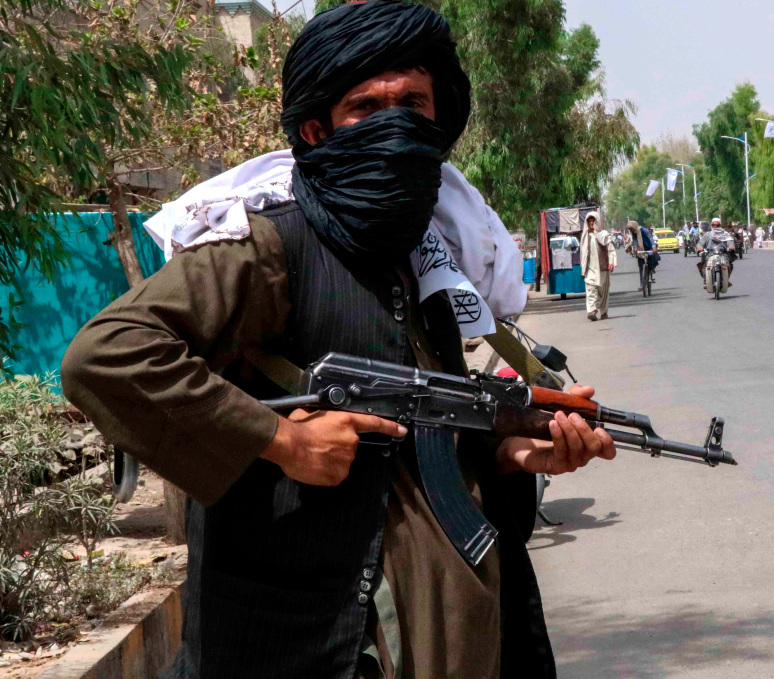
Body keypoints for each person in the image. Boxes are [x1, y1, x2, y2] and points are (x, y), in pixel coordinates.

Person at [61, 3, 617, 678]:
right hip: (308, 641)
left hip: (441, 635)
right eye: (366, 107)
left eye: (414, 103)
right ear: (318, 129)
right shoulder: (270, 246)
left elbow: (416, 440)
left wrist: (507, 453)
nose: (395, 125)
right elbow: (108, 353)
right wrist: (283, 441)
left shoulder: (422, 257)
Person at [581, 212, 615, 321]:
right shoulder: (585, 236)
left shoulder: (603, 235)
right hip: (589, 269)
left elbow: (611, 249)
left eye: (594, 220)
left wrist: (611, 262)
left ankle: (604, 312)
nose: (591, 222)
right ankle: (592, 311)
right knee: (591, 288)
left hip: (602, 269)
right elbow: (583, 254)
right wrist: (583, 268)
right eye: (590, 220)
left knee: (603, 292)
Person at [696, 217, 734, 284]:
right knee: (703, 266)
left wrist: (731, 246)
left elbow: (730, 242)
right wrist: (700, 248)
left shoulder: (725, 234)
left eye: (717, 225)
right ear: (711, 225)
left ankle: (726, 279)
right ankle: (706, 279)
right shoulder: (707, 235)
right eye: (713, 225)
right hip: (710, 254)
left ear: (720, 225)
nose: (715, 227)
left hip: (722, 254)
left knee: (728, 265)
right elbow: (700, 243)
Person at [625, 219, 658, 291]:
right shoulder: (634, 233)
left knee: (651, 262)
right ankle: (641, 284)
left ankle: (651, 270)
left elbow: (650, 238)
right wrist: (635, 247)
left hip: (648, 248)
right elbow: (635, 240)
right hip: (641, 251)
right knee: (641, 268)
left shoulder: (643, 230)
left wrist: (654, 247)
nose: (630, 230)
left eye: (631, 228)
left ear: (634, 226)